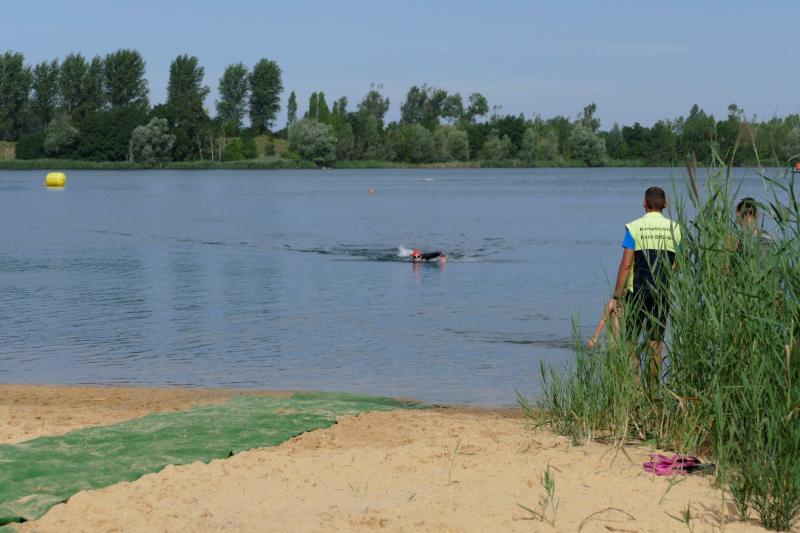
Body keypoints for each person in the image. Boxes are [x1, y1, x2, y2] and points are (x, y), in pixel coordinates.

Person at [606, 187, 681, 378]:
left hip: (637, 292)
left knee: (631, 341)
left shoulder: (634, 227)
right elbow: (678, 264)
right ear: (665, 205)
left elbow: (626, 264)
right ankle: (654, 389)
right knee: (656, 343)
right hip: (662, 293)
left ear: (644, 204)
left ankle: (636, 386)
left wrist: (616, 295)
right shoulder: (675, 229)